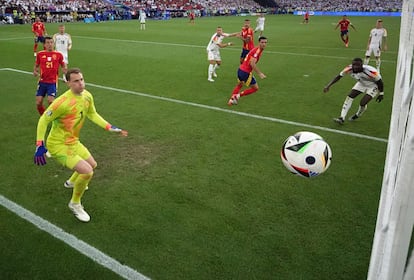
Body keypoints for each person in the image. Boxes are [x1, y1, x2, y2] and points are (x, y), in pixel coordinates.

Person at [33, 68, 128, 222]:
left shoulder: (87, 96)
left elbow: (92, 114)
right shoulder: (61, 103)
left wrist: (109, 127)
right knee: (87, 172)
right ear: (68, 83)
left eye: (82, 79)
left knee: (93, 164)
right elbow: (44, 119)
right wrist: (39, 144)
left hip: (73, 142)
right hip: (58, 145)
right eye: (76, 81)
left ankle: (71, 182)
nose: (80, 84)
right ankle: (75, 203)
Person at [323, 57, 384, 124]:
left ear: (361, 65)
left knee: (363, 102)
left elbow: (380, 82)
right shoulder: (349, 69)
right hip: (361, 83)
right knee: (350, 96)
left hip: (373, 85)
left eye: (357, 65)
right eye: (354, 65)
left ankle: (358, 114)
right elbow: (338, 76)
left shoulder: (371, 71)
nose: (355, 67)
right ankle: (342, 118)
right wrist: (328, 86)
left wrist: (381, 93)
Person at [227, 36, 268, 106]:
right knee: (255, 88)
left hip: (240, 70)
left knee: (240, 85)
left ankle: (231, 101)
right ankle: (237, 96)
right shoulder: (257, 51)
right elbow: (252, 63)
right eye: (262, 42)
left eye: (265, 42)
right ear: (259, 43)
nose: (264, 44)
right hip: (246, 72)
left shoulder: (256, 49)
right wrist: (259, 73)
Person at [33, 36, 67, 115]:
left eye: (51, 42)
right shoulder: (40, 54)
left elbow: (63, 64)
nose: (50, 44)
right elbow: (36, 64)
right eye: (48, 43)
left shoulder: (58, 54)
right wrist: (35, 71)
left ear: (54, 44)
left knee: (51, 101)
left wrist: (65, 69)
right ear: (44, 44)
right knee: (38, 103)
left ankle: (55, 117)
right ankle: (44, 117)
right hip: (42, 82)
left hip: (52, 82)